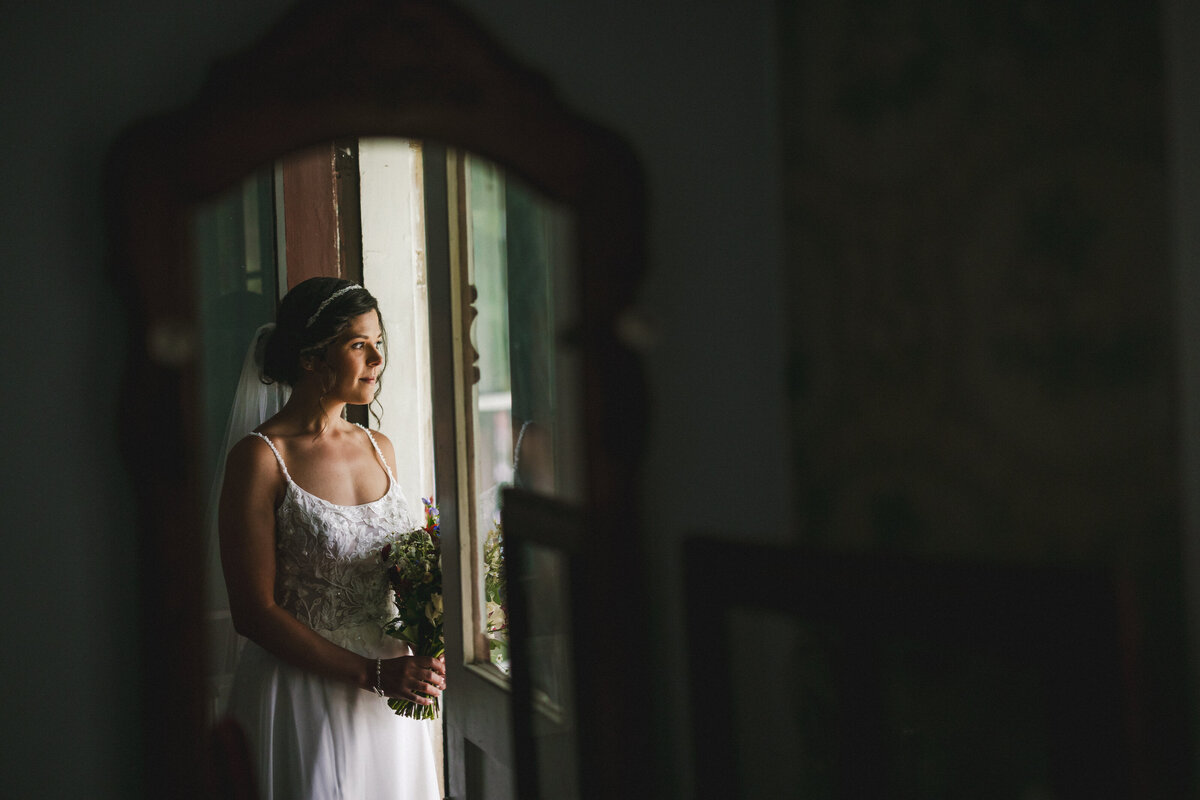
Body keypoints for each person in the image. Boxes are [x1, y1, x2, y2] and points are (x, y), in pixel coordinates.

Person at [217, 277, 444, 800]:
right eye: (358, 344)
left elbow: (403, 572)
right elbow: (253, 611)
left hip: (392, 698)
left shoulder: (381, 447)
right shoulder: (261, 459)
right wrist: (370, 672)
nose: (376, 360)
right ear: (313, 359)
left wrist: (433, 633)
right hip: (305, 695)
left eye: (378, 343)